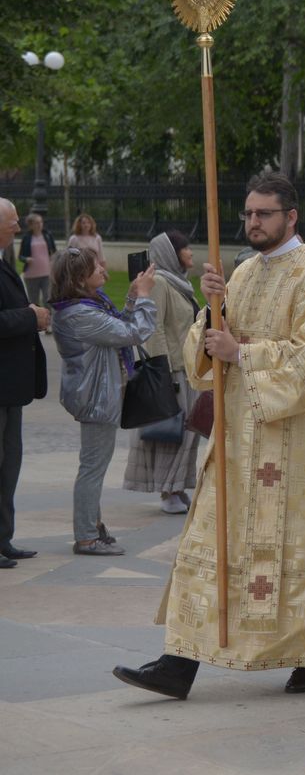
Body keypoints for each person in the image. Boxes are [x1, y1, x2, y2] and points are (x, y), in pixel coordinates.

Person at [112, 174, 305, 701]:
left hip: (296, 440)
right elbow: (206, 355)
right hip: (239, 436)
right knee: (208, 543)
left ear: (291, 216)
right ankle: (178, 663)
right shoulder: (241, 274)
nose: (253, 222)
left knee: (295, 549)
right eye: (248, 213)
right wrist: (211, 313)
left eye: (264, 213)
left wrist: (241, 352)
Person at [49, 246, 156, 554]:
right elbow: (135, 332)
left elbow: (119, 328)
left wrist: (132, 297)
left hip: (97, 394)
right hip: (96, 399)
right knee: (93, 468)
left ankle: (93, 527)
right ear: (80, 278)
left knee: (93, 466)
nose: (103, 270)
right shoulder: (80, 314)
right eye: (96, 268)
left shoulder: (85, 306)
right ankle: (86, 537)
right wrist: (145, 297)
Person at [122, 231, 202, 515]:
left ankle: (177, 487)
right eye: (185, 248)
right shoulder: (161, 283)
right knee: (175, 431)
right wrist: (163, 372)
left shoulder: (181, 283)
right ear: (171, 253)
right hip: (172, 371)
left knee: (187, 433)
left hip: (187, 368)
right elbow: (154, 329)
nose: (191, 252)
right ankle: (168, 490)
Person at [0, 198, 50, 567]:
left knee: (9, 465)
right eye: (12, 222)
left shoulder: (5, 260)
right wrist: (30, 316)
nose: (18, 228)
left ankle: (4, 538)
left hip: (11, 386)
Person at [18, 212, 55, 313]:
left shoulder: (47, 235)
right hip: (31, 275)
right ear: (31, 225)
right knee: (34, 301)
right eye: (37, 223)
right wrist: (26, 259)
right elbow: (20, 256)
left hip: (47, 273)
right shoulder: (26, 238)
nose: (40, 225)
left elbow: (54, 251)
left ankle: (49, 320)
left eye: (41, 222)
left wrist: (53, 258)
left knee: (48, 299)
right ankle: (36, 320)